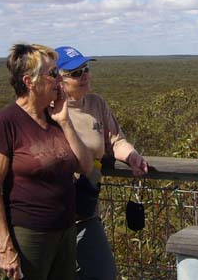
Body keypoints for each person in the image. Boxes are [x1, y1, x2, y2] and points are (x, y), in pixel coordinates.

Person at [0, 44, 93, 280]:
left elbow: (85, 166)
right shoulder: (4, 124)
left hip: (65, 228)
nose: (58, 80)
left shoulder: (54, 117)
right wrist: (5, 246)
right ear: (29, 82)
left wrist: (64, 122)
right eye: (52, 74)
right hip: (30, 234)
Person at [54, 46, 149, 280]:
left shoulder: (96, 103)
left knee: (103, 273)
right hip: (55, 215)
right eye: (76, 73)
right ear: (58, 80)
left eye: (86, 69)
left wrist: (131, 156)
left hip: (86, 209)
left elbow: (115, 139)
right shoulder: (49, 112)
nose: (84, 76)